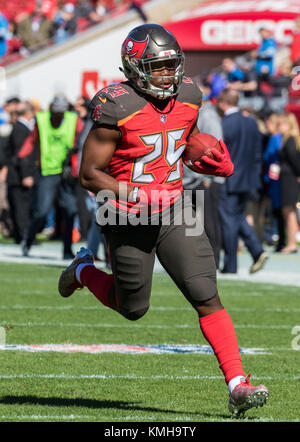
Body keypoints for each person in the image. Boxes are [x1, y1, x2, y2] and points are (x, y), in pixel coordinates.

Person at [58, 24, 269, 417]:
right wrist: (136, 194)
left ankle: (238, 384)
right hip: (123, 212)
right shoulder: (116, 106)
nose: (167, 74)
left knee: (205, 292)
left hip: (175, 205)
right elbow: (89, 174)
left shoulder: (189, 94)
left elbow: (178, 137)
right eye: (157, 67)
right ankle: (84, 271)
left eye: (172, 64)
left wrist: (200, 152)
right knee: (133, 307)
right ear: (134, 67)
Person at [18, 94, 84, 259]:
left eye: (61, 112)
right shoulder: (41, 120)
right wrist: (21, 158)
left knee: (70, 211)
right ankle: (28, 241)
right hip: (47, 171)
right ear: (51, 109)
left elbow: (82, 141)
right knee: (41, 211)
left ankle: (67, 250)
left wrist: (76, 164)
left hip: (67, 172)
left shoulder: (73, 121)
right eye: (55, 112)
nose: (58, 115)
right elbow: (31, 141)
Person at [217, 88, 268, 274]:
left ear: (223, 103)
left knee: (229, 221)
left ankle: (231, 266)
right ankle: (257, 251)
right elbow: (257, 153)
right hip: (248, 178)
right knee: (237, 217)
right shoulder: (251, 123)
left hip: (230, 178)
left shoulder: (224, 124)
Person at [183, 79, 224, 269]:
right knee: (190, 224)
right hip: (190, 178)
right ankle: (196, 261)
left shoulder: (207, 116)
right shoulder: (196, 113)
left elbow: (215, 146)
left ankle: (213, 261)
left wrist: (208, 176)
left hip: (200, 178)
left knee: (207, 221)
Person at [6, 100, 36, 244]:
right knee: (22, 207)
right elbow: (22, 154)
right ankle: (24, 236)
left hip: (17, 175)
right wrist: (26, 175)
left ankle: (21, 235)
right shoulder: (21, 129)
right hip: (19, 176)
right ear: (30, 113)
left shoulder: (19, 127)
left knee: (20, 206)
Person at [277, 112, 300, 253]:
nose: (279, 126)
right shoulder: (290, 138)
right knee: (289, 210)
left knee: (289, 210)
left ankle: (292, 242)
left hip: (290, 178)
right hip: (290, 177)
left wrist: (298, 174)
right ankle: (292, 241)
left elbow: (294, 159)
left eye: (281, 123)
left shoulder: (290, 139)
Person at [263, 113, 285, 251]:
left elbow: (269, 158)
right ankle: (282, 239)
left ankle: (281, 240)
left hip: (274, 179)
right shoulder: (281, 138)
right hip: (279, 178)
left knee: (278, 211)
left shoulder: (275, 139)